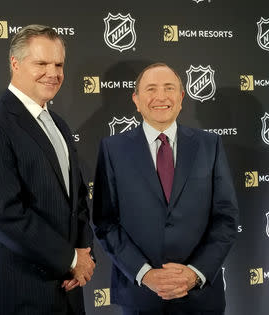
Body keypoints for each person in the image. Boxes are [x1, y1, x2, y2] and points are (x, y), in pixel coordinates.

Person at [0, 24, 95, 315]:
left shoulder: (58, 123)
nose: (53, 73)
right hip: (21, 293)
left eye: (59, 64)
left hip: (70, 290)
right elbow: (4, 214)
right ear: (15, 63)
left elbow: (77, 200)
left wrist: (84, 254)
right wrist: (71, 260)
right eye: (42, 63)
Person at [92, 63, 238, 315]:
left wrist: (195, 273)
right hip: (141, 297)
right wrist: (145, 274)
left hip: (200, 297)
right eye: (151, 89)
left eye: (169, 88)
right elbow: (105, 222)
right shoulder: (112, 149)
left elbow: (226, 219)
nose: (161, 97)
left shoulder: (209, 145)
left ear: (181, 98)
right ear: (136, 100)